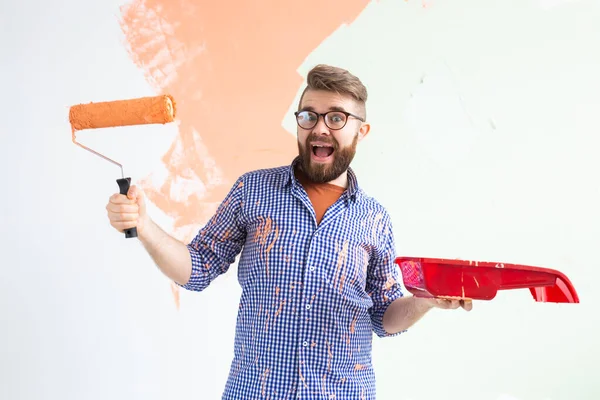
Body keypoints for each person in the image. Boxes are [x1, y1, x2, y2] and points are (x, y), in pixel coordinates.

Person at [106, 64, 472, 399]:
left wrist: (427, 300)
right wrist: (145, 226)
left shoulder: (374, 219)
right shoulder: (253, 191)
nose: (320, 127)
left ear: (362, 131)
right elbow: (197, 268)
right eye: (309, 115)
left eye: (336, 117)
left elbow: (385, 316)